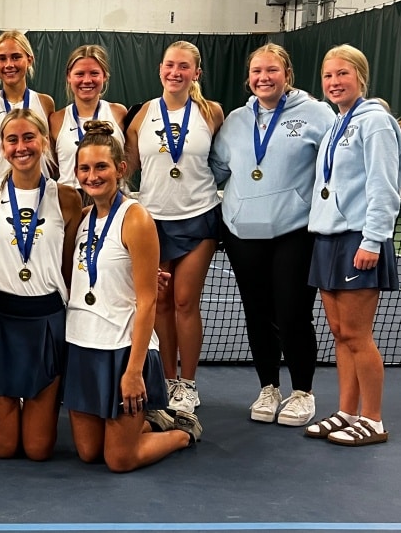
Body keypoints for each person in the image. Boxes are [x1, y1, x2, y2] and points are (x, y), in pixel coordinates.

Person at [209, 43, 334, 426]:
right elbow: (217, 168)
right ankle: (268, 387)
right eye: (257, 71)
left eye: (271, 71)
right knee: (256, 314)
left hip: (294, 233)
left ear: (287, 74)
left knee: (293, 313)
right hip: (243, 233)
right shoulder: (235, 120)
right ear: (249, 77)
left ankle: (301, 392)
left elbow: (335, 163)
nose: (263, 78)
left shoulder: (316, 113)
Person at [64, 126, 201, 472]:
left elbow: (148, 302)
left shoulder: (136, 218)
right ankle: (147, 420)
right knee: (88, 452)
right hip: (82, 345)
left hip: (123, 349)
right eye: (85, 169)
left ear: (121, 169)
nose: (92, 176)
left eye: (101, 167)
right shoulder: (82, 220)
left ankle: (181, 429)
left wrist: (134, 371)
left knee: (119, 459)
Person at [303, 45, 401, 447]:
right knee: (339, 332)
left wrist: (373, 239)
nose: (334, 82)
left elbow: (384, 188)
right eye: (329, 76)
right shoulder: (336, 124)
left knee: (358, 335)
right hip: (327, 239)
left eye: (342, 74)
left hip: (358, 240)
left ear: (360, 77)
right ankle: (347, 411)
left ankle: (374, 419)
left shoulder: (376, 122)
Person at [0, 109, 83, 460]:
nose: (21, 147)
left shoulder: (67, 198)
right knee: (3, 449)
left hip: (46, 322)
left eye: (29, 138)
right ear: (2, 147)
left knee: (37, 450)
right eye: (12, 139)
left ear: (44, 142)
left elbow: (69, 267)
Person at [125, 40, 224, 413]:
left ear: (196, 73)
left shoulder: (211, 113)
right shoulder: (142, 115)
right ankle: (168, 380)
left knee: (185, 300)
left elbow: (228, 159)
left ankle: (189, 383)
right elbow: (128, 166)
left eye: (184, 66)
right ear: (160, 68)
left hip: (200, 217)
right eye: (169, 65)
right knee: (160, 302)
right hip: (153, 222)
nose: (175, 72)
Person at [0, 30, 55, 183]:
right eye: (1, 58)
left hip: (38, 194)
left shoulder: (45, 103)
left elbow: (51, 150)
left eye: (16, 57)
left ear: (29, 60)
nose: (9, 64)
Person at [49, 45, 128, 192]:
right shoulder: (55, 120)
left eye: (94, 73)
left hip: (111, 197)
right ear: (69, 76)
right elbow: (54, 167)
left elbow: (129, 160)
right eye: (79, 74)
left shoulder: (119, 113)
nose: (87, 80)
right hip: (70, 200)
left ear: (104, 76)